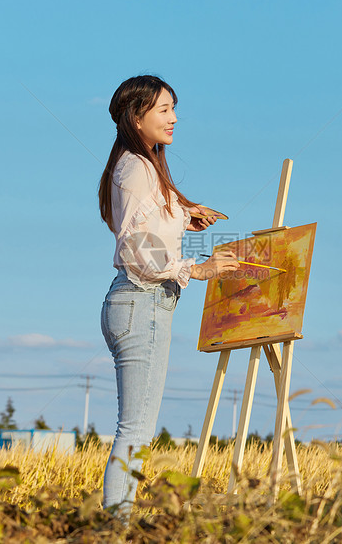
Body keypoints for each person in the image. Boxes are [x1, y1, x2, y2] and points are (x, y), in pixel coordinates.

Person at [97, 75, 239, 513]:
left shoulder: (135, 165)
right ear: (135, 118)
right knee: (135, 430)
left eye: (173, 108)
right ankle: (113, 531)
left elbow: (143, 225)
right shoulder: (138, 167)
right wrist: (197, 269)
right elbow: (137, 247)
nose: (174, 118)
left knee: (134, 428)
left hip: (133, 302)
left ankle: (113, 525)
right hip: (143, 300)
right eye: (163, 109)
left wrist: (183, 213)